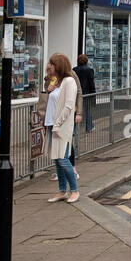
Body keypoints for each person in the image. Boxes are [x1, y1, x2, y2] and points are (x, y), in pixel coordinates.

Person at [45, 53, 82, 203]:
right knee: (57, 159)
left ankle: (75, 190)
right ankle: (62, 191)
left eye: (51, 64)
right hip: (51, 124)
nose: (49, 66)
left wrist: (58, 123)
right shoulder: (58, 82)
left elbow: (68, 106)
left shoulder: (69, 81)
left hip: (61, 126)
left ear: (58, 65)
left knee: (63, 159)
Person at [75, 53, 97, 134]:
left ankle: (75, 130)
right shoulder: (89, 70)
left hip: (77, 95)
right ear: (86, 61)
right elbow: (91, 83)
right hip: (87, 94)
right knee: (88, 111)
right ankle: (89, 127)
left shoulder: (74, 70)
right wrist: (93, 94)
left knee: (76, 111)